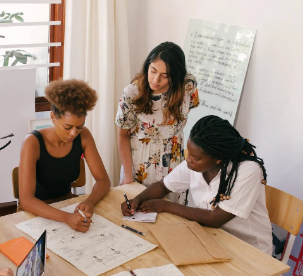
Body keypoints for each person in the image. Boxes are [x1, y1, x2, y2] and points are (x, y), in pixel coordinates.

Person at [121, 115, 272, 257]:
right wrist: (137, 200)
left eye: (196, 158)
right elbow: (163, 186)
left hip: (249, 251)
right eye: (189, 154)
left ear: (218, 159)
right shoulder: (195, 165)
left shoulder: (247, 171)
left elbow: (215, 219)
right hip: (213, 238)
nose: (188, 160)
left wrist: (167, 206)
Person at [19, 79, 111, 233]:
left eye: (79, 127)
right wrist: (66, 218)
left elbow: (103, 180)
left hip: (66, 204)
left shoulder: (84, 136)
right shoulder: (32, 142)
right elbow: (26, 200)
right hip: (35, 211)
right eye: (67, 127)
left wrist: (90, 201)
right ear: (53, 117)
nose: (74, 133)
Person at [116, 41, 200, 198]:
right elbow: (122, 136)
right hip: (140, 165)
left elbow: (189, 108)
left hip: (174, 164)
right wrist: (128, 175)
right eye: (153, 71)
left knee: (172, 217)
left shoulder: (188, 86)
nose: (155, 79)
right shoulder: (132, 93)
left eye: (165, 76)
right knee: (137, 214)